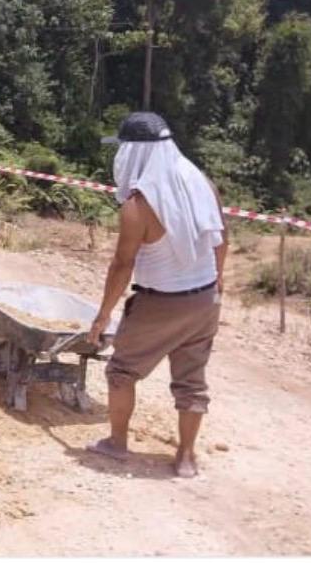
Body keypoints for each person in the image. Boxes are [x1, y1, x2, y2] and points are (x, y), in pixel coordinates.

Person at [85, 112, 228, 479]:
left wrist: (103, 315)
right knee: (192, 382)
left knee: (121, 371)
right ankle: (186, 457)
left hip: (160, 302)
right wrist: (217, 280)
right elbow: (222, 236)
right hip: (204, 300)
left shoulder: (139, 205)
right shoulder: (202, 183)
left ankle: (117, 443)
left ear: (135, 153)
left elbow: (122, 264)